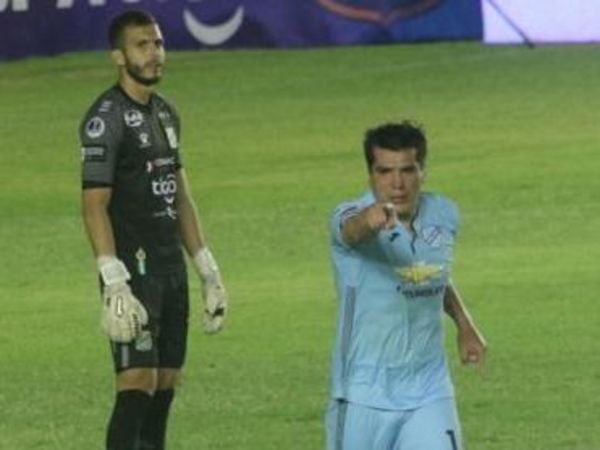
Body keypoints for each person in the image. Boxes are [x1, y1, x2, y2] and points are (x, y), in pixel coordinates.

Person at [79, 10, 228, 450]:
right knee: (136, 385)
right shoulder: (104, 120)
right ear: (118, 56)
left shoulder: (165, 114)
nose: (155, 54)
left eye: (158, 43)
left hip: (169, 269)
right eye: (143, 45)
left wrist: (207, 269)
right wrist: (113, 279)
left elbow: (180, 196)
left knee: (164, 386)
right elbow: (93, 206)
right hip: (133, 273)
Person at [326, 121, 486, 450]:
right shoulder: (350, 216)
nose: (396, 184)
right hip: (363, 394)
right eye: (384, 171)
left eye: (407, 170)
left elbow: (430, 271)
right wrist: (369, 221)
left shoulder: (443, 214)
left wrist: (465, 324)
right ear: (370, 174)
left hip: (430, 388)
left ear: (422, 171)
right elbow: (351, 233)